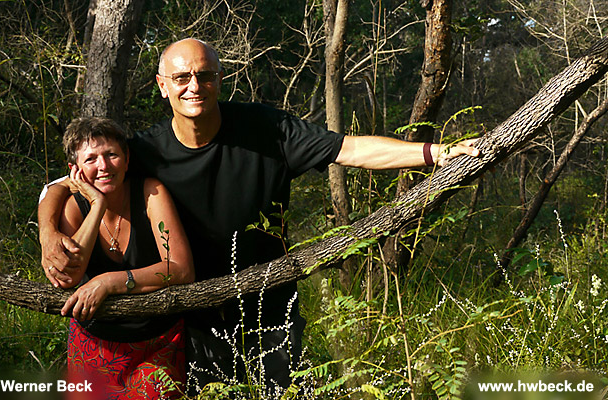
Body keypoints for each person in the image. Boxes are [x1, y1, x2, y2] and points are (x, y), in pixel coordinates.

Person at [39, 39, 479, 394]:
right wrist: (47, 234)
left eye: (204, 75)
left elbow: (349, 149)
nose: (194, 86)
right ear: (162, 86)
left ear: (220, 79)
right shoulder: (147, 149)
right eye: (181, 78)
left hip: (271, 304)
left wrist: (436, 153)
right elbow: (63, 184)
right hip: (196, 313)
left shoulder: (266, 129)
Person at [54, 117, 194, 399]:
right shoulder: (73, 208)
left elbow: (181, 269)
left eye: (111, 155)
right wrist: (97, 205)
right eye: (91, 159)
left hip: (157, 342)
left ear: (127, 160)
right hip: (93, 342)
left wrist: (110, 282)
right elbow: (69, 276)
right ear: (75, 171)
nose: (104, 166)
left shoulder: (151, 193)